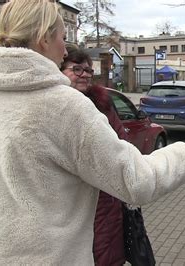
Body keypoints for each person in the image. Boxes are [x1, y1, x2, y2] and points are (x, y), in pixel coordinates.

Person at [0, 1, 185, 265]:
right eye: (61, 38)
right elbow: (135, 181)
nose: (65, 51)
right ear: (44, 38)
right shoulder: (64, 105)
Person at [61, 44, 127, 266]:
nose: (85, 75)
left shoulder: (103, 104)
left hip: (105, 198)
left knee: (106, 252)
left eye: (88, 70)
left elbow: (121, 146)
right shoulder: (52, 107)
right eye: (77, 69)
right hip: (69, 202)